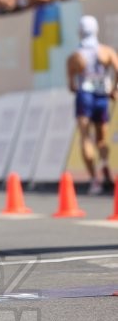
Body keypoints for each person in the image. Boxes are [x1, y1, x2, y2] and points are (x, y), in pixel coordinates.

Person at [66, 15, 118, 194]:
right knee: (101, 139)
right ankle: (105, 167)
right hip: (102, 96)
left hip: (85, 96)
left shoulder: (75, 57)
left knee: (85, 137)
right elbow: (117, 69)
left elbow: (72, 86)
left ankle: (95, 180)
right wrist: (113, 89)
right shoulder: (106, 51)